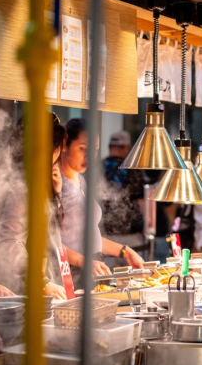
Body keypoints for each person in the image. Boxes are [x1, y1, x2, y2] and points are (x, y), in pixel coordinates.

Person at [0, 116, 68, 299]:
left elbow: (50, 232)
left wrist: (56, 194)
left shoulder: (35, 181)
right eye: (58, 145)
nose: (60, 151)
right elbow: (8, 242)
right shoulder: (22, 187)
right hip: (23, 288)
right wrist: (41, 281)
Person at [61, 118, 143, 288]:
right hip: (70, 273)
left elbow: (89, 236)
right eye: (83, 149)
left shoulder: (80, 181)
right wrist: (84, 261)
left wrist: (124, 251)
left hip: (93, 269)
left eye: (95, 149)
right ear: (64, 145)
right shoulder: (56, 184)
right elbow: (49, 243)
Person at [100, 131, 148, 269]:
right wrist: (145, 228)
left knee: (106, 285)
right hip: (132, 238)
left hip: (105, 238)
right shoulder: (133, 169)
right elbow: (141, 202)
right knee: (135, 281)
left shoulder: (97, 168)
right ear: (126, 147)